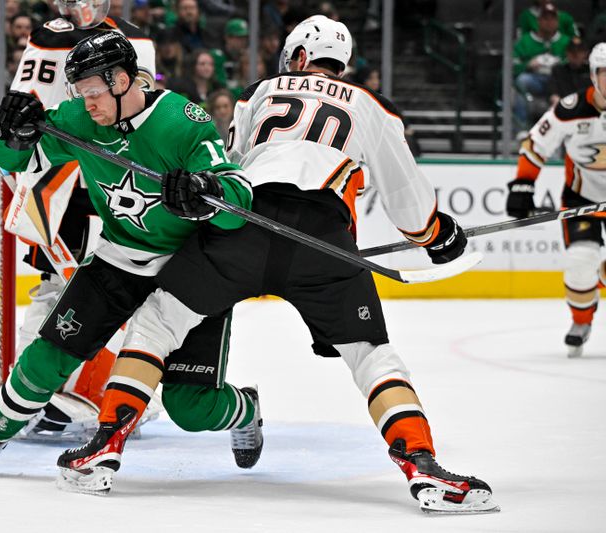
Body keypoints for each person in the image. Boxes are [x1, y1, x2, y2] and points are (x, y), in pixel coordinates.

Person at [62, 15, 499, 514]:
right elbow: (413, 212)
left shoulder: (259, 92)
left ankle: (102, 450)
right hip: (321, 236)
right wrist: (441, 237)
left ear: (295, 58)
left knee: (158, 322)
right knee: (371, 354)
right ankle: (423, 466)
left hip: (244, 223)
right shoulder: (371, 105)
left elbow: (228, 168)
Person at [0, 33, 259, 489]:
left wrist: (207, 194)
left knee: (191, 407)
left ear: (123, 79)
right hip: (118, 257)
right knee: (49, 355)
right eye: (79, 93)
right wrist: (11, 132)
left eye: (92, 92)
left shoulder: (182, 121)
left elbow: (239, 197)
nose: (85, 104)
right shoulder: (79, 119)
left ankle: (246, 409)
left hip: (190, 269)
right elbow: (10, 160)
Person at [5, 0, 157, 441]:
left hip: (111, 187)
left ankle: (126, 395)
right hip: (56, 188)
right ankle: (34, 397)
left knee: (123, 292)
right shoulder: (47, 37)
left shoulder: (133, 36)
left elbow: (140, 110)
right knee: (55, 290)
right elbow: (22, 105)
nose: (79, 5)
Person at [506, 43, 606, 359]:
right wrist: (522, 186)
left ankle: (599, 279)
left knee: (594, 270)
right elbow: (536, 145)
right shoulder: (570, 109)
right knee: (579, 262)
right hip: (582, 199)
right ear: (593, 75)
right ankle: (581, 321)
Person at [513, 3, 572, 131]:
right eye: (545, 18)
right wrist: (527, 64)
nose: (549, 22)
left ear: (557, 21)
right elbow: (512, 65)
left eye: (553, 19)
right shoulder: (525, 40)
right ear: (538, 21)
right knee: (522, 81)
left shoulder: (566, 41)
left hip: (559, 82)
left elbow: (576, 62)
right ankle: (521, 129)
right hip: (536, 80)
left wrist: (560, 66)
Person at [548, 37, 590, 106]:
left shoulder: (592, 71)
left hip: (588, 108)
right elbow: (553, 94)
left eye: (579, 51)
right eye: (572, 51)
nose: (575, 55)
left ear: (585, 53)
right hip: (565, 107)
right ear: (566, 52)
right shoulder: (558, 70)